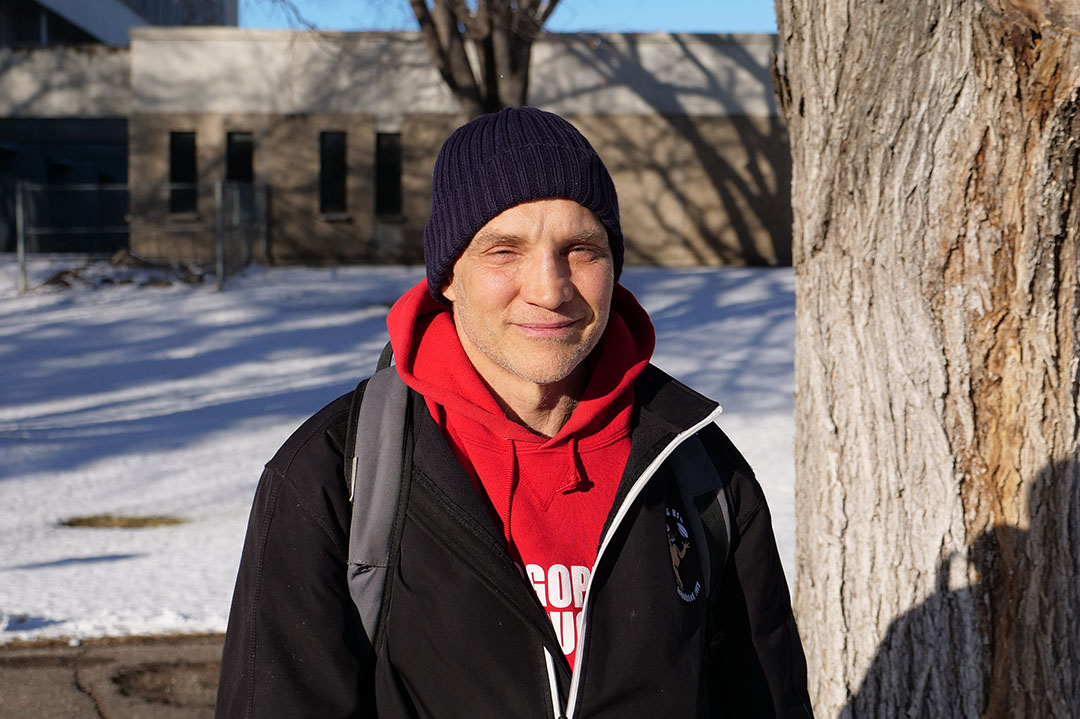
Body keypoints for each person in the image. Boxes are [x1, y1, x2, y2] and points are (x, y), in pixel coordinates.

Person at [215, 106, 813, 718]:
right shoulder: (335, 473)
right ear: (449, 276)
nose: (550, 289)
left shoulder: (698, 469)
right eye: (505, 250)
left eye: (580, 249)